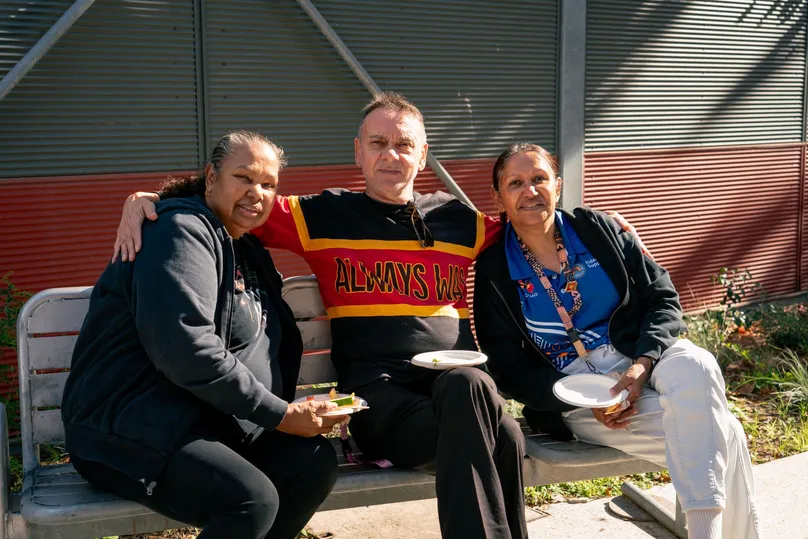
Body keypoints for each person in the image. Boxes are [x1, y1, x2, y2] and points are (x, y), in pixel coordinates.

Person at [115, 92, 528, 539]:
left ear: (423, 154)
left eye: (404, 145)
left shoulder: (460, 220)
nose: (390, 155)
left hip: (462, 399)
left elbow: (537, 231)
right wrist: (151, 197)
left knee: (479, 397)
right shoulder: (321, 216)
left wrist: (609, 233)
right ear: (358, 151)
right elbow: (235, 196)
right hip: (383, 403)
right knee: (500, 432)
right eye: (377, 143)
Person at [62, 131, 349, 539]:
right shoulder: (178, 231)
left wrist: (286, 412)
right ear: (211, 177)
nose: (257, 193)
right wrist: (279, 414)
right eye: (244, 178)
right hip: (130, 428)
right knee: (250, 499)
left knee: (311, 461)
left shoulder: (244, 246)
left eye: (269, 185)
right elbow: (185, 348)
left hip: (208, 422)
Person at [473, 142, 761, 539]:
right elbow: (507, 365)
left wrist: (643, 363)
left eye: (539, 178)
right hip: (575, 390)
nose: (530, 191)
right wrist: (574, 398)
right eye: (516, 183)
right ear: (499, 197)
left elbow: (662, 297)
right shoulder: (495, 269)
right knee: (724, 432)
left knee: (697, 364)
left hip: (642, 356)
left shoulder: (599, 230)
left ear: (557, 184)